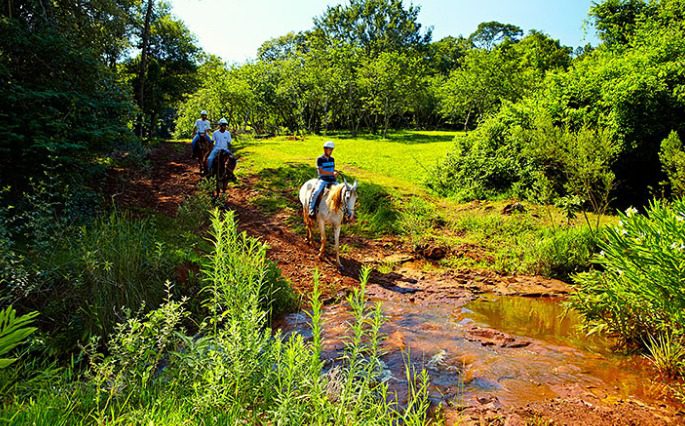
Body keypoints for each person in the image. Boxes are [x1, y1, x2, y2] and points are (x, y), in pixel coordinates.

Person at [309, 141, 338, 218]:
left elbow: (332, 169)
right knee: (316, 192)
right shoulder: (320, 159)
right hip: (323, 179)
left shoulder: (332, 159)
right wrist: (332, 173)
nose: (330, 151)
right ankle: (311, 209)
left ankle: (343, 211)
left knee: (342, 191)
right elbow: (321, 171)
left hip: (332, 180)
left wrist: (335, 173)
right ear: (324, 149)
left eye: (332, 149)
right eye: (329, 149)